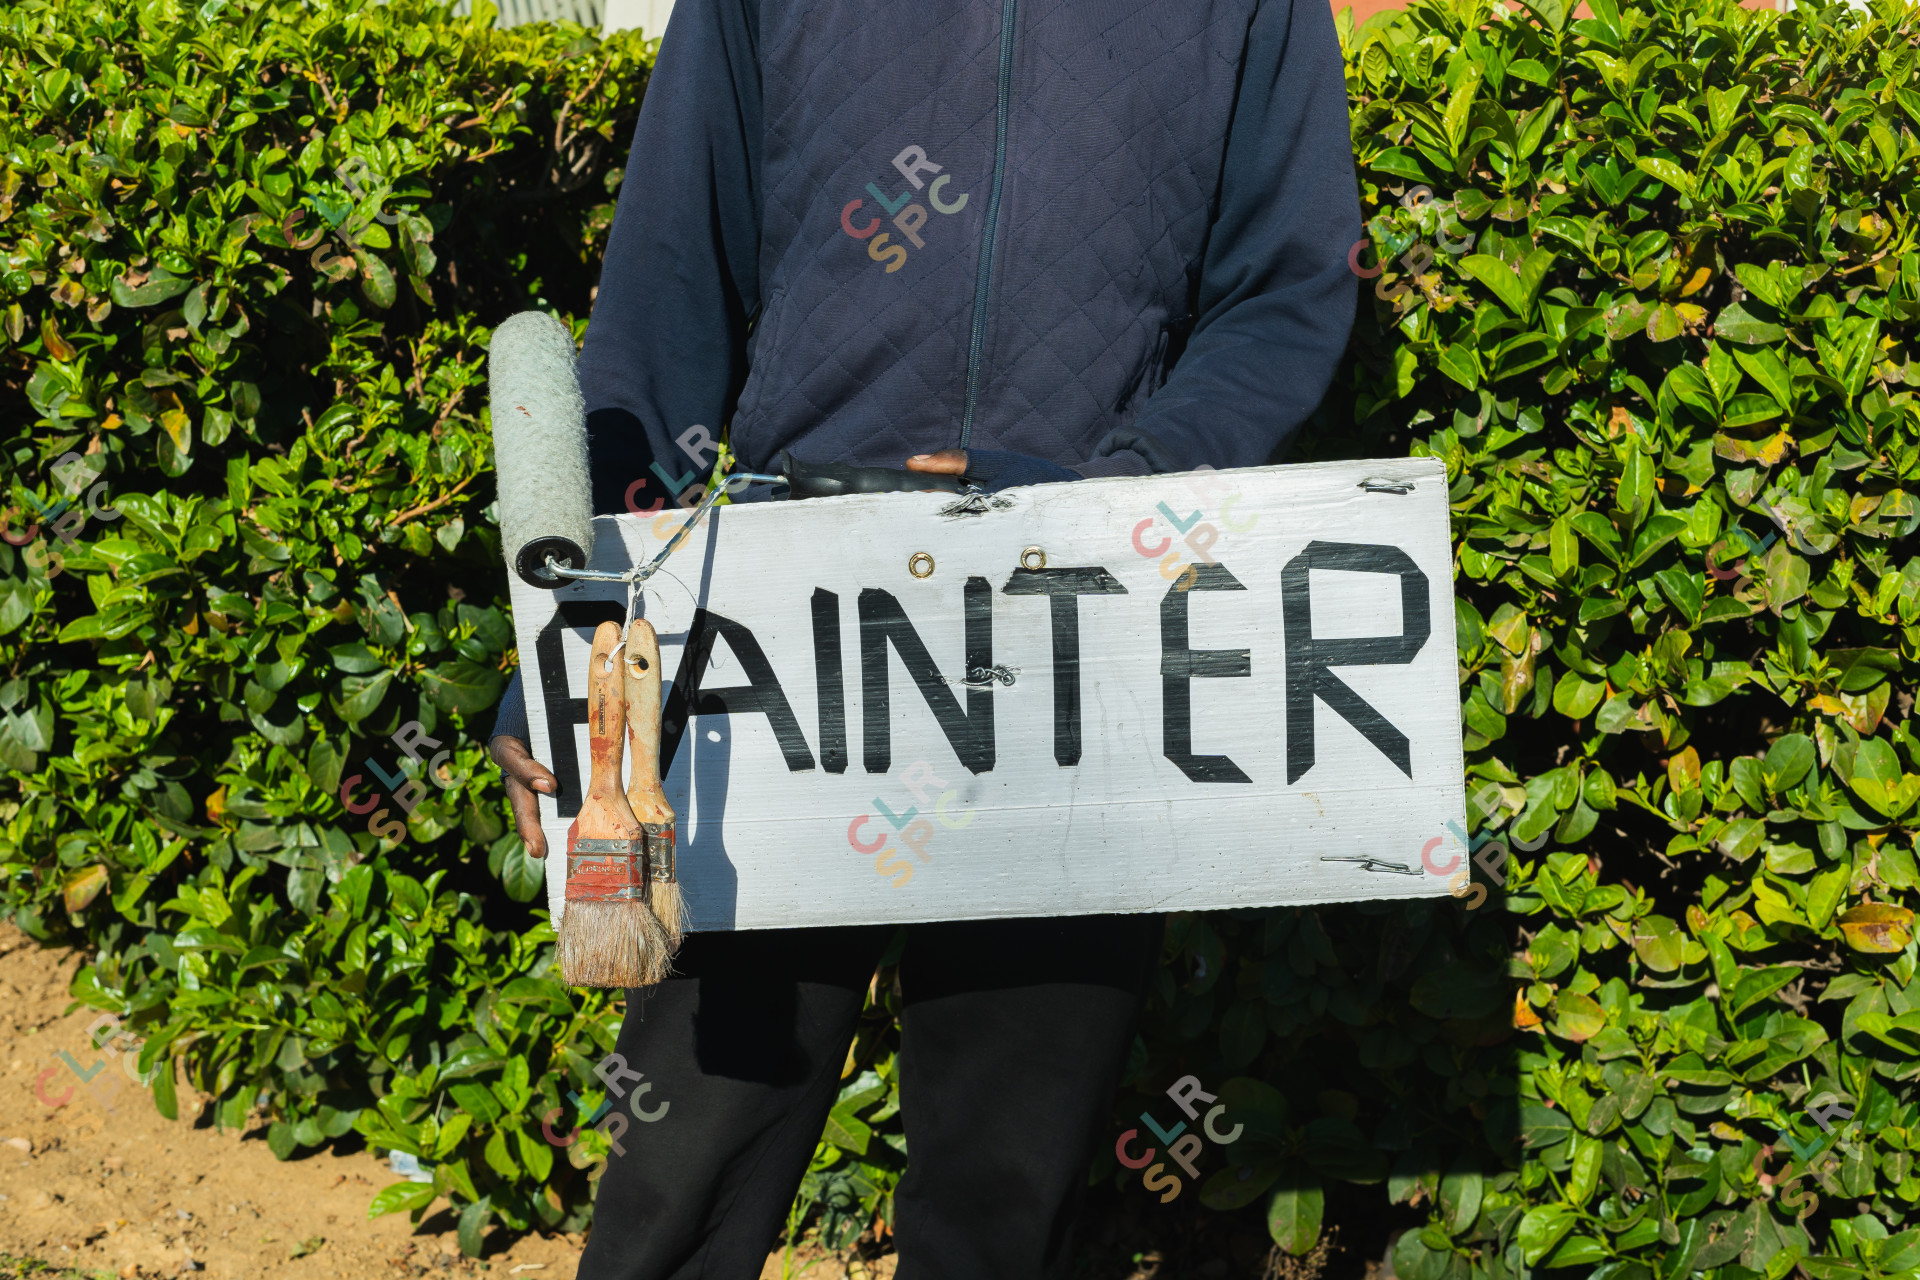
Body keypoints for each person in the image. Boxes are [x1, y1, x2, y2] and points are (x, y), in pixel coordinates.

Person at [488, 0, 1359, 1273]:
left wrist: (1115, 487)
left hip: (1080, 644)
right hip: (779, 645)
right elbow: (664, 295)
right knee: (670, 1195)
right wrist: (567, 642)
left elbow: (1286, 288)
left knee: (997, 1212)